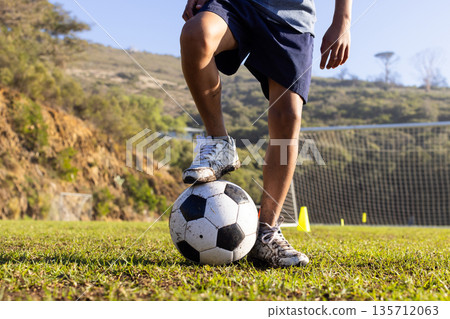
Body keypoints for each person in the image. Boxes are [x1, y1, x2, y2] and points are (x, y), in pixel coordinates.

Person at [180, 0, 352, 267]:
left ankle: (267, 232)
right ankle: (218, 143)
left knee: (288, 117)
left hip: (293, 18)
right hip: (237, 4)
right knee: (196, 34)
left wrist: (343, 19)